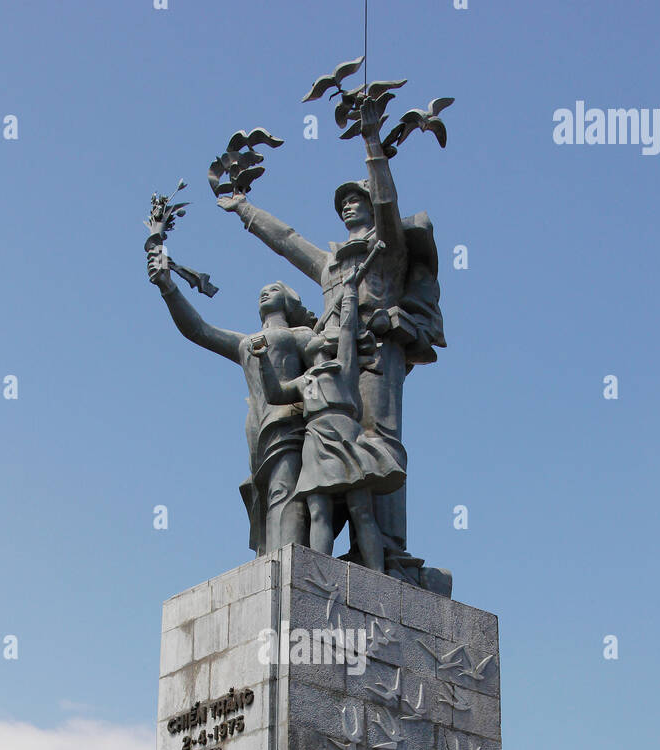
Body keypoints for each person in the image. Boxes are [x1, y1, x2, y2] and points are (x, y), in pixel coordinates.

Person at [218, 97, 445, 576]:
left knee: (378, 447)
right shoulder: (330, 266)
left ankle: (385, 552)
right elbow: (287, 239)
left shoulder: (387, 251)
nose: (347, 204)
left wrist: (370, 143)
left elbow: (388, 206)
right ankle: (317, 555)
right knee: (325, 466)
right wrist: (243, 208)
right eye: (343, 200)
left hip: (376, 357)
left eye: (355, 197)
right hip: (331, 365)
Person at [147, 225, 315, 554]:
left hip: (289, 422)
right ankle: (270, 560)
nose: (264, 293)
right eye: (261, 291)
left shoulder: (299, 336)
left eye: (273, 289)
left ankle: (290, 560)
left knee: (287, 491)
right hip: (256, 428)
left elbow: (326, 369)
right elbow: (198, 330)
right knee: (265, 495)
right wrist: (168, 288)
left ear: (290, 300)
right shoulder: (245, 344)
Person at [251, 266, 405, 571]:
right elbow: (276, 394)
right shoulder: (305, 380)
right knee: (317, 508)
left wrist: (349, 291)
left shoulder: (344, 368)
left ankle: (376, 575)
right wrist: (263, 362)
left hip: (346, 436)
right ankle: (319, 571)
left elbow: (347, 328)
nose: (317, 338)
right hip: (315, 439)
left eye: (325, 337)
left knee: (360, 508)